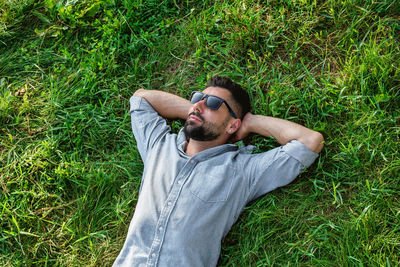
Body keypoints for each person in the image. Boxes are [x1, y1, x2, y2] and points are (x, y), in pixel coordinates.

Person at [113, 76, 324, 267]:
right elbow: (141, 99)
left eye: (213, 103)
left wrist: (251, 122)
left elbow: (309, 141)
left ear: (233, 125)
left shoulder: (242, 171)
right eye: (198, 97)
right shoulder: (158, 146)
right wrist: (194, 110)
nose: (199, 104)